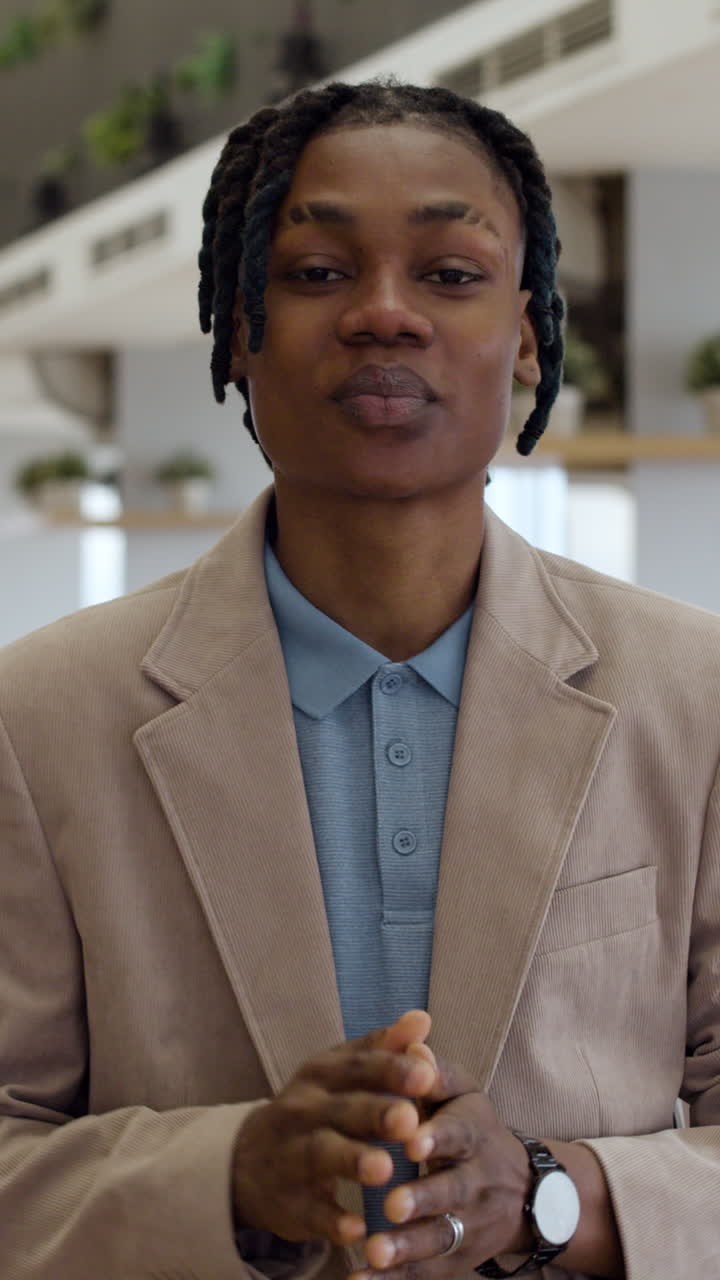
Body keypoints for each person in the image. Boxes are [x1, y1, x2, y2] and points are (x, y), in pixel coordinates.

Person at [0, 78, 718, 1280]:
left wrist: (551, 1193)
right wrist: (233, 1178)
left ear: (530, 330)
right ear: (240, 328)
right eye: (319, 273)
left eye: (449, 272)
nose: (385, 314)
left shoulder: (696, 698)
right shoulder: (43, 717)